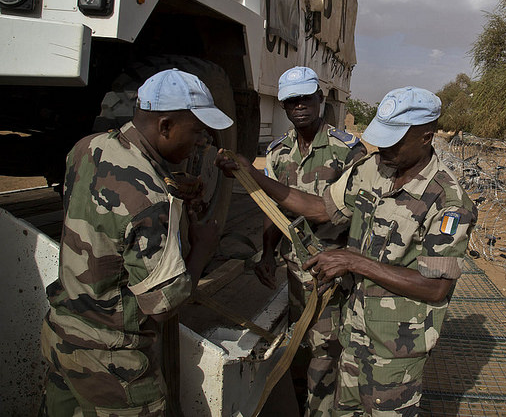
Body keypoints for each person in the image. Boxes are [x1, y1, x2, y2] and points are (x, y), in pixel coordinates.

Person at [216, 86, 477, 416]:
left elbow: (435, 286)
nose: (383, 146)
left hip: (396, 347)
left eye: (395, 138)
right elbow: (320, 208)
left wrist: (355, 261)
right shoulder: (374, 168)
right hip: (354, 331)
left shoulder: (448, 202)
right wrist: (254, 176)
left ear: (426, 136)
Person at [40, 68, 233, 416]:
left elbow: (104, 219)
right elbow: (163, 306)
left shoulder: (87, 148)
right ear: (165, 126)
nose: (202, 142)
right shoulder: (151, 200)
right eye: (198, 131)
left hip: (61, 335)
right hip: (112, 363)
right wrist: (204, 244)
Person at [258, 66, 367, 416]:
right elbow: (273, 208)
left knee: (327, 354)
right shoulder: (277, 152)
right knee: (299, 349)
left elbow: (360, 215)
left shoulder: (348, 150)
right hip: (295, 270)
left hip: (333, 272)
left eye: (306, 98)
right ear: (284, 107)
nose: (299, 106)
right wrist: (266, 252)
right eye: (291, 101)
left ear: (320, 99)